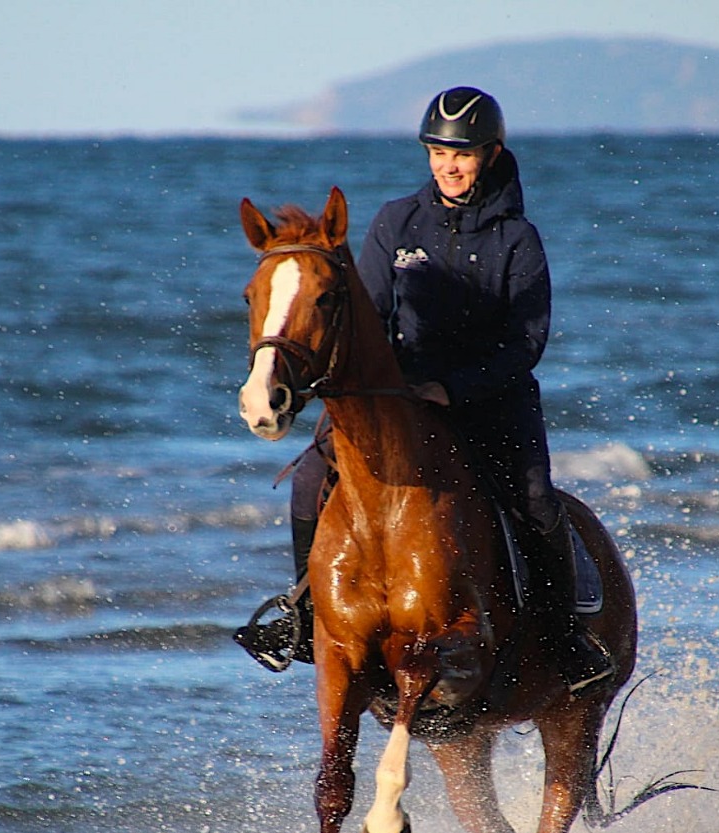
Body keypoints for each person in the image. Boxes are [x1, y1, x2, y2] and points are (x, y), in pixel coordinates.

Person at [235, 86, 613, 692]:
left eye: (461, 154)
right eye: (438, 152)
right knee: (308, 480)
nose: (448, 165)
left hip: (490, 402)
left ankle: (561, 636)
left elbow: (526, 344)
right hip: (400, 401)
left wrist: (451, 388)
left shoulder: (517, 240)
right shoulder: (395, 222)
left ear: (491, 154)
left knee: (538, 499)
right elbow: (369, 314)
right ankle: (303, 621)